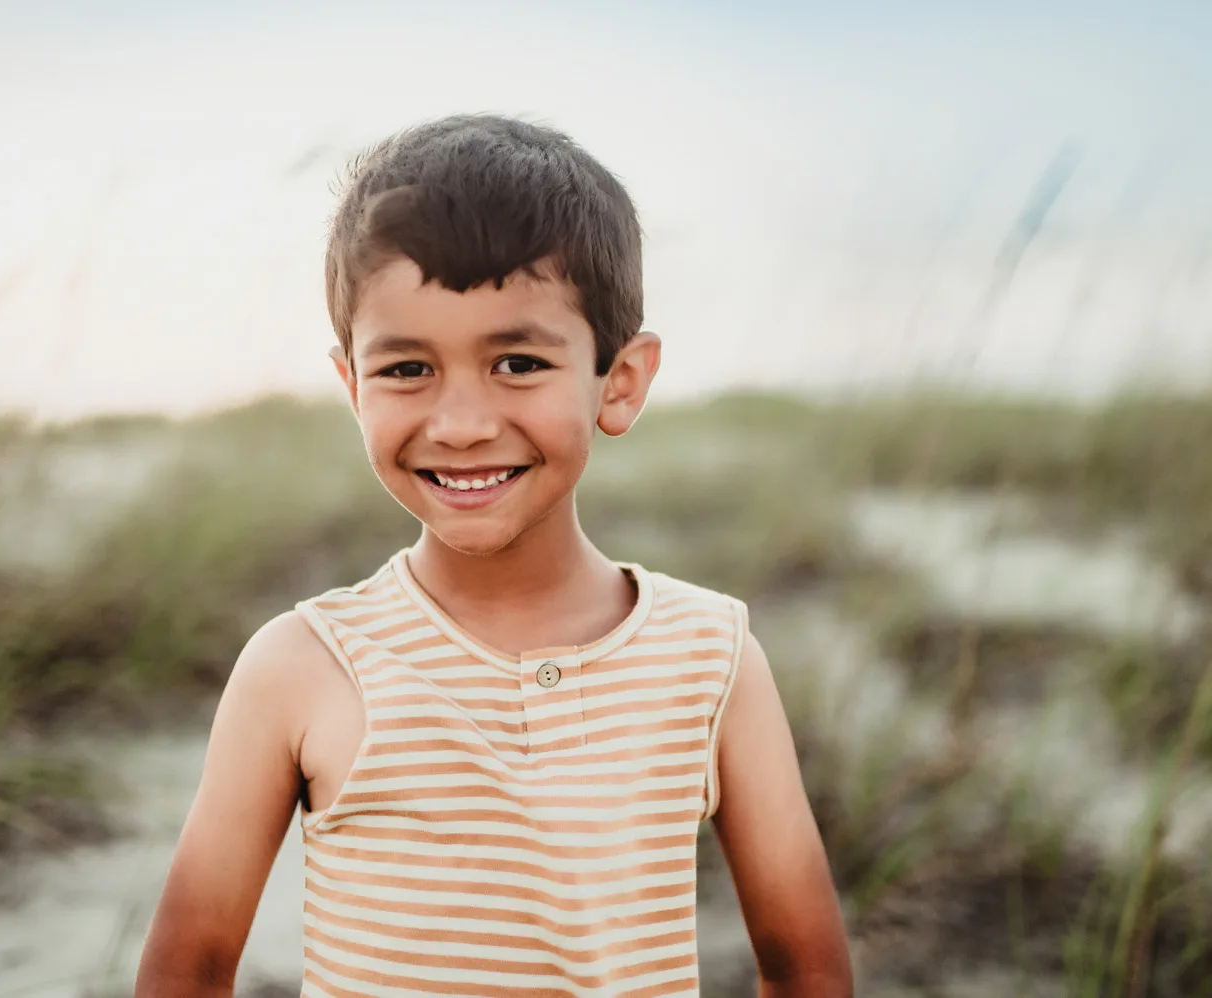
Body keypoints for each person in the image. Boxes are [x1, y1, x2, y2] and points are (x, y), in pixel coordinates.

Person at [135, 113, 852, 998]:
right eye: (406, 369)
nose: (463, 424)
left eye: (516, 362)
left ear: (618, 381)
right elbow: (190, 966)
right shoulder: (304, 665)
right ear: (352, 386)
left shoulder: (712, 658)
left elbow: (807, 967)